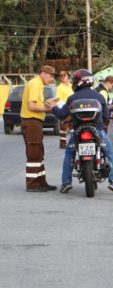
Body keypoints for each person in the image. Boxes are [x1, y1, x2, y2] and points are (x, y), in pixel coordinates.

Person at [51, 69, 113, 195]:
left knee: (69, 154)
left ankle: (66, 183)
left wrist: (52, 107)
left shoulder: (72, 97)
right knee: (110, 153)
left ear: (77, 82)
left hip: (78, 132)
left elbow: (62, 115)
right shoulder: (99, 96)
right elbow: (106, 116)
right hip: (98, 131)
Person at [20, 64, 58, 192]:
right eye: (51, 75)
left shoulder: (38, 84)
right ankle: (32, 184)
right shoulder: (35, 84)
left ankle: (41, 182)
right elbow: (32, 106)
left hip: (34, 122)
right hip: (31, 121)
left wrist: (45, 104)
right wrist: (47, 108)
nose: (51, 78)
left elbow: (35, 103)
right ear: (43, 73)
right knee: (34, 153)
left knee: (39, 153)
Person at [55, 70, 73, 148]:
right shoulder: (59, 88)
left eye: (64, 76)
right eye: (61, 77)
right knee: (63, 127)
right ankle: (63, 143)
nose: (63, 78)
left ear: (67, 76)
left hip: (73, 108)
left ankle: (73, 142)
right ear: (60, 78)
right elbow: (58, 99)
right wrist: (62, 109)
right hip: (64, 108)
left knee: (73, 127)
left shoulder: (71, 86)